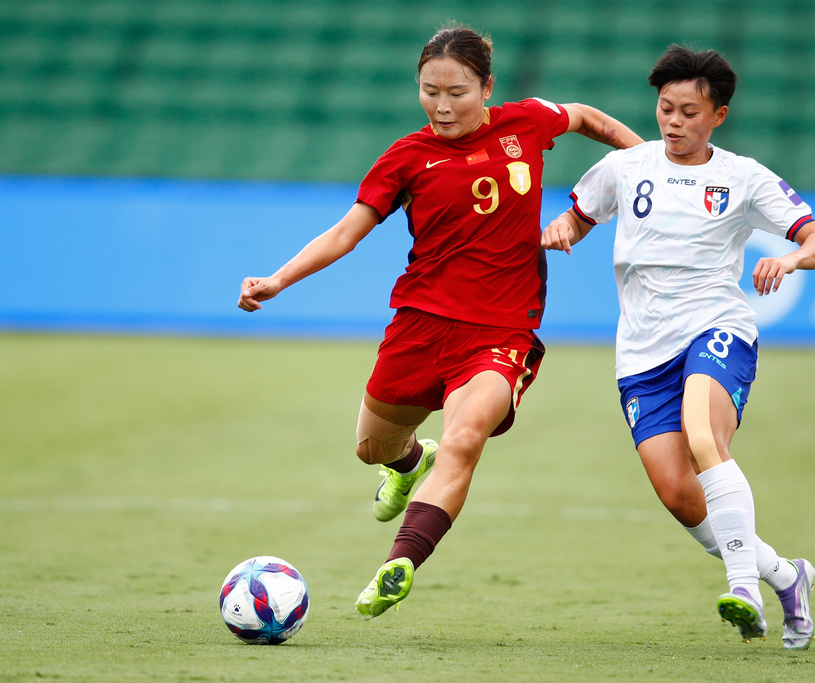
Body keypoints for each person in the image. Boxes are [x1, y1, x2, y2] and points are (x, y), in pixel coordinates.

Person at [238, 24, 643, 620]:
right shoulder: (406, 156)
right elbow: (346, 233)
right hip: (420, 325)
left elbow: (584, 117)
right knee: (371, 448)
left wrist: (648, 166)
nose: (443, 105)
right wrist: (278, 279)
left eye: (457, 91)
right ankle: (408, 464)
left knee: (464, 439)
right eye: (430, 91)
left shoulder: (527, 122)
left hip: (501, 333)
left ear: (487, 87)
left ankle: (397, 564)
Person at [541, 45, 815, 649]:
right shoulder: (628, 166)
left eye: (689, 112)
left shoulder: (743, 176)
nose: (673, 122)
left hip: (716, 327)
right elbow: (580, 214)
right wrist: (563, 230)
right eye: (665, 108)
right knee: (679, 495)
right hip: (641, 351)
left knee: (705, 438)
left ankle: (742, 589)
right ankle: (785, 577)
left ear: (718, 116)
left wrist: (788, 257)